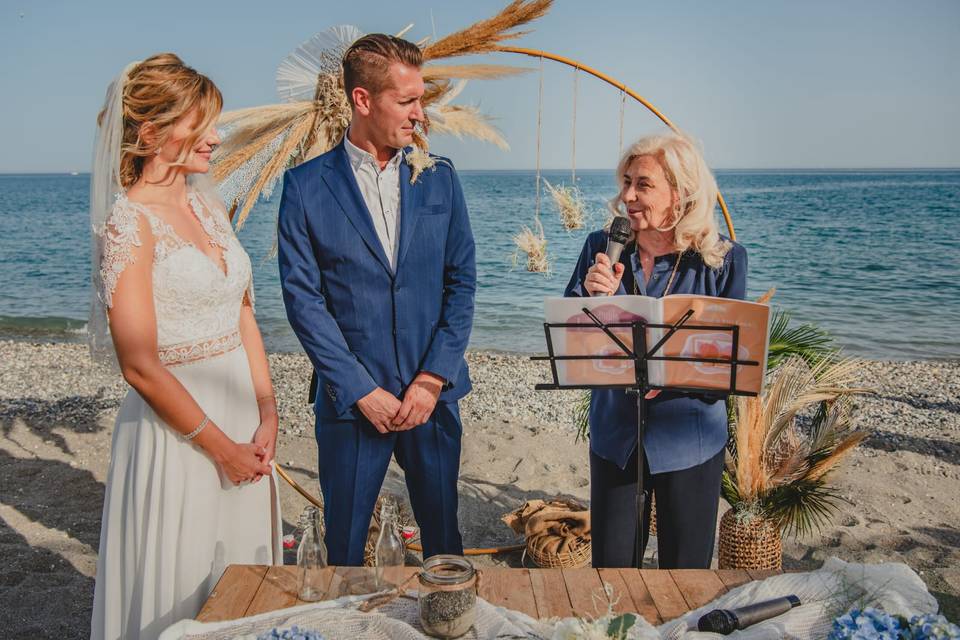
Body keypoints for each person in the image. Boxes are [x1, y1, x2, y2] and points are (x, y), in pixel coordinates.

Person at [88, 54, 281, 639]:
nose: (217, 140)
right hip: (180, 434)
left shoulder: (205, 205)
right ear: (150, 133)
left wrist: (269, 409)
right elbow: (140, 365)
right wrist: (219, 447)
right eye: (202, 127)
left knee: (244, 584)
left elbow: (242, 311)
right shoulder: (129, 224)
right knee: (182, 584)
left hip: (244, 420)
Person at [277, 34, 476, 566]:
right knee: (343, 550)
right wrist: (360, 389)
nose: (420, 112)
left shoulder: (441, 178)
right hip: (351, 403)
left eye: (421, 98)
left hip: (430, 401)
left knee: (445, 549)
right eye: (406, 100)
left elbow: (462, 285)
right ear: (363, 100)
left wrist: (433, 379)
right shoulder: (303, 187)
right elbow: (303, 301)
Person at [564, 133, 747, 569]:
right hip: (616, 436)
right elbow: (570, 339)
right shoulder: (600, 246)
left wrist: (672, 377)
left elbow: (729, 368)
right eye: (626, 181)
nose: (627, 196)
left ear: (680, 192)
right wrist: (590, 300)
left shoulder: (722, 259)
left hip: (690, 440)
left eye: (642, 185)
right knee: (611, 574)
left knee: (686, 577)